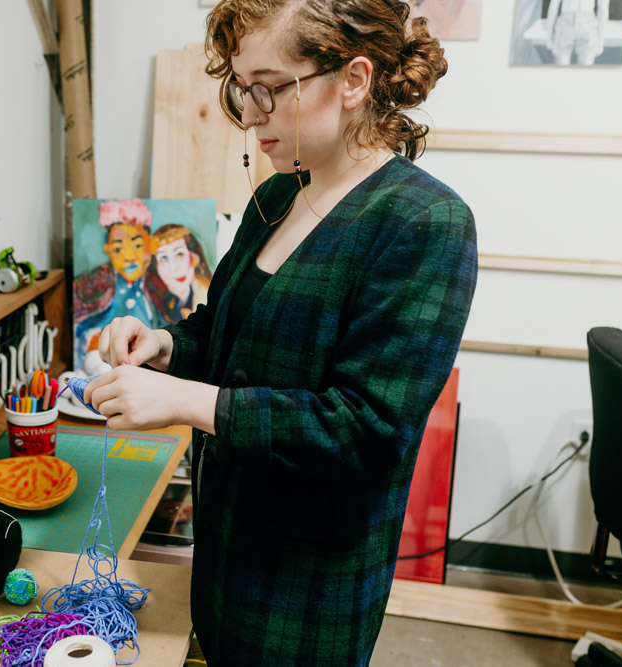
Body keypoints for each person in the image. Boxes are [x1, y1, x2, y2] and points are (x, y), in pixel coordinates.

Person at [84, 0, 478, 664]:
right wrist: (165, 347)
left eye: (268, 86)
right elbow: (227, 338)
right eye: (241, 87)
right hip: (225, 550)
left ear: (352, 81)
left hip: (309, 588)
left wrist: (186, 401)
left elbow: (368, 430)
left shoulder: (424, 222)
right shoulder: (276, 198)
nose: (250, 111)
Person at [73, 198, 160, 371]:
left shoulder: (159, 288)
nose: (129, 256)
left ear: (150, 245)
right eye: (119, 249)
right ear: (108, 250)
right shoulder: (95, 284)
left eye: (137, 245)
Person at [147, 224, 213, 324]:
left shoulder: (209, 298)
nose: (174, 268)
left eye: (180, 254)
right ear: (156, 267)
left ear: (194, 257)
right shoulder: (150, 303)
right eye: (164, 258)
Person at [546, 0, 610, 66]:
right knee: (561, 72)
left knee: (585, 72)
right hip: (565, 24)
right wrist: (549, 36)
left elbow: (603, 9)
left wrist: (601, 40)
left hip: (588, 25)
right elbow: (553, 5)